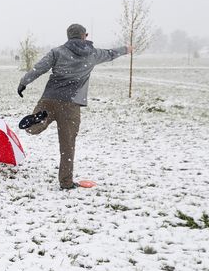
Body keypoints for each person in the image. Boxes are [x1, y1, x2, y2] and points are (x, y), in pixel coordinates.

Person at [16, 23, 131, 190]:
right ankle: (66, 182)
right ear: (85, 35)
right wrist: (126, 49)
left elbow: (38, 68)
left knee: (32, 128)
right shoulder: (92, 53)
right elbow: (111, 53)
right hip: (71, 104)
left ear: (68, 36)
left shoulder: (57, 52)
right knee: (67, 145)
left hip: (49, 98)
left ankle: (37, 122)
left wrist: (23, 82)